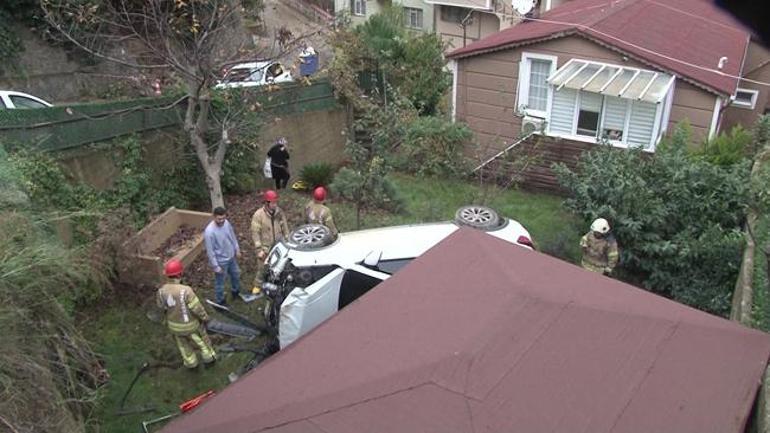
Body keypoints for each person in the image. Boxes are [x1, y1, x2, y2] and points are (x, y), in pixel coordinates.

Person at [156, 259, 216, 369]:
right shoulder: (186, 291)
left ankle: (191, 364)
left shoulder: (161, 291)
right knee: (202, 342)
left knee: (183, 346)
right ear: (179, 274)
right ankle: (209, 359)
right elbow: (196, 308)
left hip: (174, 326)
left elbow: (162, 308)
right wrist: (205, 318)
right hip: (191, 325)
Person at [251, 189, 289, 294]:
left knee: (279, 264)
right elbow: (255, 233)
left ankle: (275, 281)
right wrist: (259, 249)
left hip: (278, 244)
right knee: (262, 267)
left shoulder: (279, 212)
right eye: (272, 203)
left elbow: (284, 226)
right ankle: (257, 285)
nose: (275, 205)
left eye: (276, 202)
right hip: (265, 246)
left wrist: (287, 238)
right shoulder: (258, 215)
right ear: (266, 203)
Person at [203, 207, 242, 305]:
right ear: (214, 217)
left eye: (223, 218)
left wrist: (237, 249)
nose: (221, 221)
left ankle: (235, 292)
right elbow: (210, 251)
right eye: (219, 219)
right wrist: (216, 266)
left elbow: (232, 236)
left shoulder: (226, 223)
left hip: (231, 257)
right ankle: (220, 301)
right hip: (221, 262)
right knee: (220, 283)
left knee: (236, 275)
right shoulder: (209, 232)